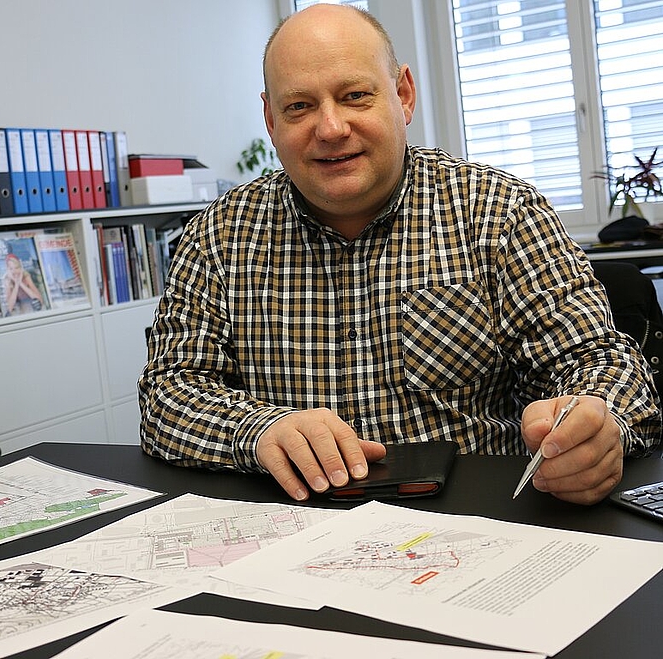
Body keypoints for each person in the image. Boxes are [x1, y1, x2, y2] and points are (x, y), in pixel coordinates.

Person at [138, 4, 661, 506]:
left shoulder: (499, 213)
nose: (330, 128)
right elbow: (167, 394)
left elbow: (600, 361)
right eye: (299, 106)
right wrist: (260, 430)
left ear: (403, 95)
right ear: (271, 121)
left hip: (480, 524)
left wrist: (597, 423)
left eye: (355, 96)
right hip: (293, 528)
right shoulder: (220, 234)